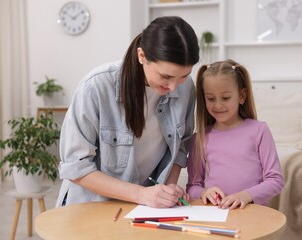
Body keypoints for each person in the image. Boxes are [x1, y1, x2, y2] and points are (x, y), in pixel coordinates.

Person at [55, 16, 199, 208]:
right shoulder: (96, 87)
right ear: (142, 56)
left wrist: (169, 188)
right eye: (166, 76)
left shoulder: (186, 87)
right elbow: (76, 167)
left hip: (140, 205)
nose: (174, 87)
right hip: (89, 204)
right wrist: (142, 195)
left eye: (183, 76)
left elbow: (181, 145)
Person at [186, 59, 284, 209]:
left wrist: (246, 195)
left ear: (242, 96)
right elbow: (193, 186)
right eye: (211, 98)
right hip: (216, 213)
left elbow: (275, 180)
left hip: (252, 212)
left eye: (225, 98)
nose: (217, 105)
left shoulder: (259, 130)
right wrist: (204, 192)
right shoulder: (199, 139)